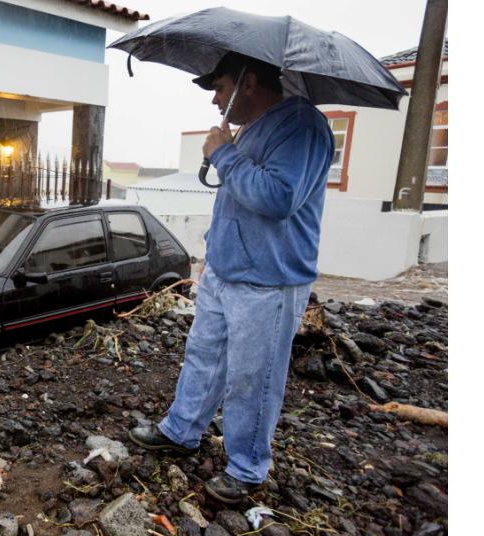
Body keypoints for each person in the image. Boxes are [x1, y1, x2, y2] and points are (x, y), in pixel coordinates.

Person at [128, 52, 335, 504]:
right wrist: (213, 253)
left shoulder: (302, 126)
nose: (215, 100)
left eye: (220, 88)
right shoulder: (253, 128)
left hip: (268, 281)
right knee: (203, 356)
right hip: (226, 272)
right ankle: (181, 430)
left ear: (249, 82)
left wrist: (221, 153)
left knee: (252, 378)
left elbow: (278, 198)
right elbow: (237, 202)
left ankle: (246, 467)